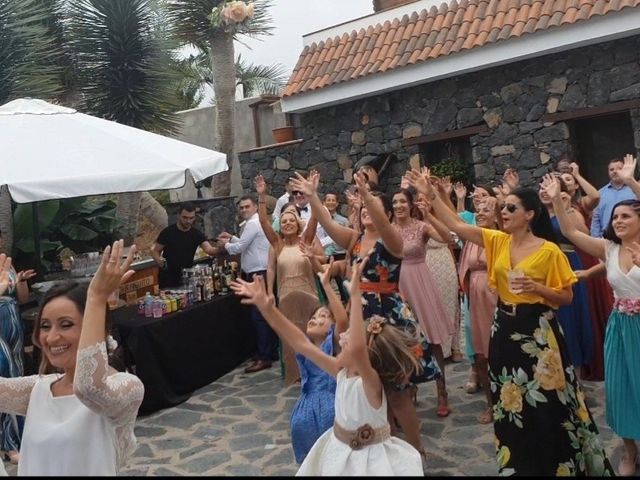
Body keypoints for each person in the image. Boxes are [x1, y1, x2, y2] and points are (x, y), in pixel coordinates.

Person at [407, 167, 613, 476]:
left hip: (539, 333)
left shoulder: (549, 250)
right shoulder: (497, 242)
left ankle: (556, 465)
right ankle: (519, 465)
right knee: (510, 401)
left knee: (547, 402)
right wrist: (431, 194)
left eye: (511, 208)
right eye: (503, 207)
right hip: (504, 329)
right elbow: (454, 227)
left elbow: (566, 297)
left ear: (530, 214)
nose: (503, 212)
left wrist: (537, 289)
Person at [290, 170, 440, 460]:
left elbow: (384, 224)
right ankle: (387, 445)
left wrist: (368, 197)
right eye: (361, 208)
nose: (364, 211)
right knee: (371, 387)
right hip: (359, 314)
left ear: (383, 213)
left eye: (371, 207)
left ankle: (416, 449)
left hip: (388, 318)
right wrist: (313, 196)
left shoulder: (392, 241)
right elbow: (327, 221)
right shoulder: (354, 239)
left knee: (397, 391)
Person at [231, 257, 424, 476]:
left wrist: (355, 295)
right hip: (340, 453)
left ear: (366, 356)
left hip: (370, 463)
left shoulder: (370, 383)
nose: (341, 339)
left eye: (348, 338)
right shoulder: (339, 372)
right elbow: (300, 343)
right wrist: (267, 309)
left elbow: (359, 348)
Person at [0, 240, 144, 475]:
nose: (52, 337)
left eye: (66, 325)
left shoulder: (126, 387)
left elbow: (88, 388)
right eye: (45, 326)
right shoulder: (37, 390)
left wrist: (96, 298)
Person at [544, 167, 640, 476]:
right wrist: (559, 200)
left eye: (626, 216)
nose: (618, 221)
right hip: (620, 328)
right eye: (615, 217)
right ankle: (629, 451)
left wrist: (628, 182)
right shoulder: (609, 248)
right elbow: (572, 234)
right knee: (620, 388)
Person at [232, 260, 346, 464]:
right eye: (313, 316)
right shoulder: (306, 348)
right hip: (305, 414)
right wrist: (266, 308)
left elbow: (342, 320)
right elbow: (290, 333)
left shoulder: (334, 348)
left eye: (323, 316)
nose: (314, 319)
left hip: (332, 412)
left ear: (332, 328)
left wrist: (327, 285)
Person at [391, 188, 454, 417]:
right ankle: (411, 387)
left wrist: (429, 216)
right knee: (405, 340)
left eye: (402, 202)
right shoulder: (388, 230)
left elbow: (448, 239)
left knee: (432, 337)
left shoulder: (421, 226)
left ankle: (442, 391)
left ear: (410, 205)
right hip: (398, 285)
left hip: (420, 281)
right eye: (395, 202)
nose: (398, 206)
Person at [255, 175, 322, 384]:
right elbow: (264, 221)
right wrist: (262, 196)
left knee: (313, 336)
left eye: (291, 220)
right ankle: (296, 375)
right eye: (284, 221)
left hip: (309, 297)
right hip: (285, 298)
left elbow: (315, 218)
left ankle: (318, 372)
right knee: (290, 340)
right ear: (280, 226)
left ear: (297, 223)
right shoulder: (278, 245)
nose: (288, 223)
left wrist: (313, 194)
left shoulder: (306, 241)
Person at [539, 179, 594, 376]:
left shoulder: (569, 211)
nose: (544, 191)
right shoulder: (536, 215)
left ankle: (575, 373)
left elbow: (584, 234)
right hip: (544, 270)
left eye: (549, 188)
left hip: (567, 263)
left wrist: (565, 208)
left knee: (569, 317)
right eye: (541, 188)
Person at [218, 195, 275, 374]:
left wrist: (225, 244)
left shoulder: (252, 223)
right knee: (264, 315)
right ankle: (269, 352)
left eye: (247, 206)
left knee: (259, 316)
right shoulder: (255, 222)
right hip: (260, 271)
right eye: (241, 207)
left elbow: (239, 249)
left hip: (258, 273)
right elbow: (247, 244)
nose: (244, 210)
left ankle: (264, 356)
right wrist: (233, 238)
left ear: (255, 207)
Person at [456, 198, 499, 424]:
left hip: (496, 297)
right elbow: (452, 223)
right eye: (479, 210)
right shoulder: (472, 237)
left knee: (500, 349)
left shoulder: (501, 238)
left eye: (487, 210)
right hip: (475, 298)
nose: (481, 213)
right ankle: (491, 403)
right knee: (481, 352)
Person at [0, 232, 35, 465]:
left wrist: (20, 281)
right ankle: (8, 444)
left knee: (17, 378)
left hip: (13, 326)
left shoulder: (8, 265)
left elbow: (22, 298)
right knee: (4, 381)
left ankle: (22, 437)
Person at [151, 202, 218, 288]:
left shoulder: (196, 234)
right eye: (185, 218)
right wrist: (163, 264)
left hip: (187, 278)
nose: (188, 221)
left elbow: (209, 250)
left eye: (191, 218)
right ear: (178, 215)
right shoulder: (167, 232)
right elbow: (155, 251)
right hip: (167, 279)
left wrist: (222, 248)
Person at [591, 157, 638, 238]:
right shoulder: (600, 193)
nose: (615, 171)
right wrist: (596, 239)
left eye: (619, 169)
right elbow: (596, 218)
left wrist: (630, 180)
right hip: (607, 239)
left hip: (632, 237)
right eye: (611, 170)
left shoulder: (635, 190)